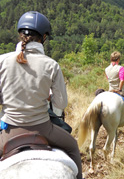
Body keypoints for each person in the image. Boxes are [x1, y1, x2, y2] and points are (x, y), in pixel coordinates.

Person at [0, 11, 82, 179]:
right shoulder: (51, 65)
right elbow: (61, 103)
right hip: (44, 129)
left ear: (19, 34)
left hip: (8, 131)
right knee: (73, 146)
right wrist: (47, 96)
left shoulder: (2, 60)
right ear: (43, 37)